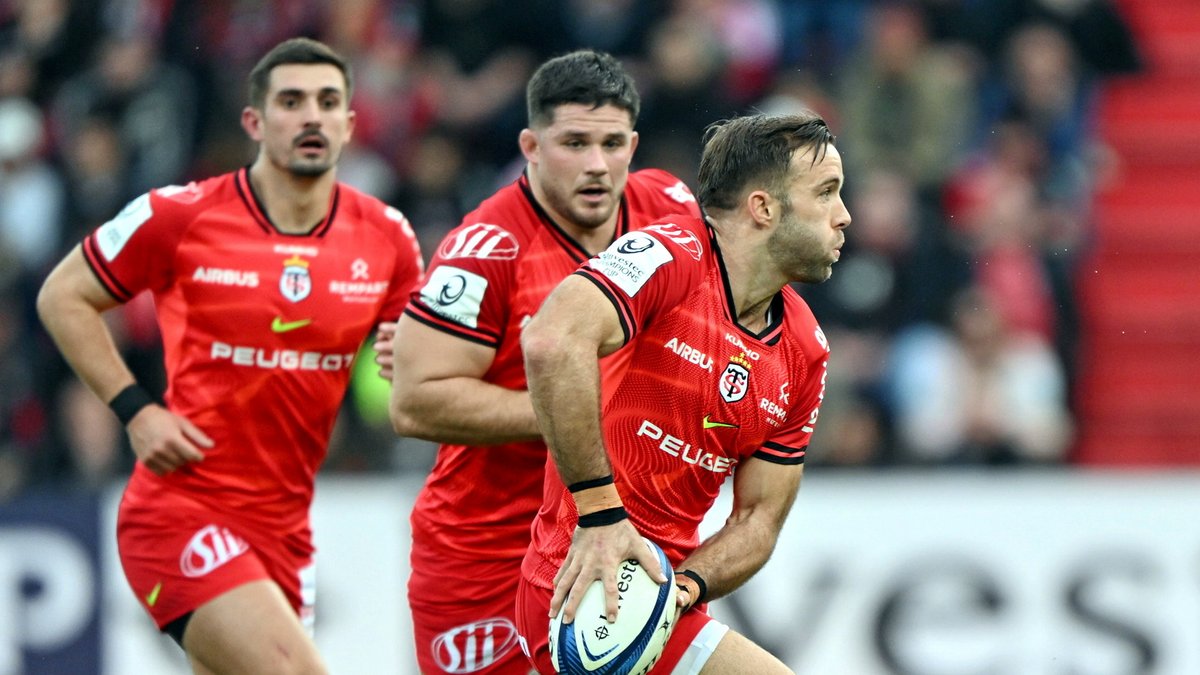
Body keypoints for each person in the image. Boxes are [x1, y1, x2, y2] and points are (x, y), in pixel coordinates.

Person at [36, 37, 423, 675]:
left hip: (286, 531)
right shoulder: (179, 215)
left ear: (351, 124)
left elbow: (413, 365)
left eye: (328, 103)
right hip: (182, 511)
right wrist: (135, 410)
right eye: (291, 101)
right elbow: (62, 296)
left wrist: (407, 360)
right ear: (254, 121)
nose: (311, 118)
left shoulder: (386, 238)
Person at [379, 50, 700, 674]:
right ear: (530, 144)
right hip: (485, 553)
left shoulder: (670, 208)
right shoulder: (487, 249)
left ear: (634, 143)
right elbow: (414, 402)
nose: (596, 165)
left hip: (612, 535)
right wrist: (575, 406)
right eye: (574, 143)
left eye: (612, 143)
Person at [516, 111, 851, 674]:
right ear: (764, 207)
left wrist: (687, 587)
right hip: (578, 590)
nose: (844, 217)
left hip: (658, 604)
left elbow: (757, 521)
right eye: (826, 193)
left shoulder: (805, 349)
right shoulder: (670, 255)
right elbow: (551, 341)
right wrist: (600, 516)